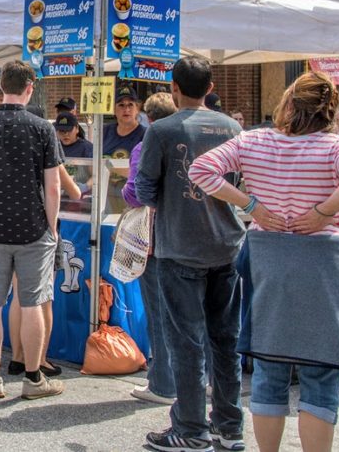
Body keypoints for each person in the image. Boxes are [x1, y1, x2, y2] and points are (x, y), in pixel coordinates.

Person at [189, 71, 339, 452]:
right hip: (327, 264)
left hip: (269, 260)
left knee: (268, 369)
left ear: (288, 103)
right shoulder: (337, 147)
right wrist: (323, 212)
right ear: (329, 110)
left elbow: (200, 170)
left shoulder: (253, 140)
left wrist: (251, 204)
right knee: (320, 376)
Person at [134, 56, 245, 452]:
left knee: (186, 341)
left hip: (179, 246)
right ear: (211, 86)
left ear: (174, 88)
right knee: (225, 340)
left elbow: (144, 188)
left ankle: (191, 428)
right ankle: (229, 426)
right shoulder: (232, 128)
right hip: (227, 243)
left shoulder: (162, 130)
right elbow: (239, 181)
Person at [0, 59, 64, 400]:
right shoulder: (43, 128)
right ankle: (34, 379)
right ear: (29, 88)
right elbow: (53, 188)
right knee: (33, 301)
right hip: (34, 227)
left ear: (1, 86)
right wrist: (52, 227)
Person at [122, 91, 178, 406]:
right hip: (191, 240)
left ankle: (162, 383)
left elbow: (134, 193)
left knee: (159, 314)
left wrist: (119, 186)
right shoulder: (195, 144)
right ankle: (198, 380)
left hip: (155, 241)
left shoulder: (145, 148)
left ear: (149, 118)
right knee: (192, 316)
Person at [103, 85, 145, 158]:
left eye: (130, 105)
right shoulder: (104, 132)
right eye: (121, 105)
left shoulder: (145, 135)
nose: (126, 110)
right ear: (113, 109)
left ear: (137, 108)